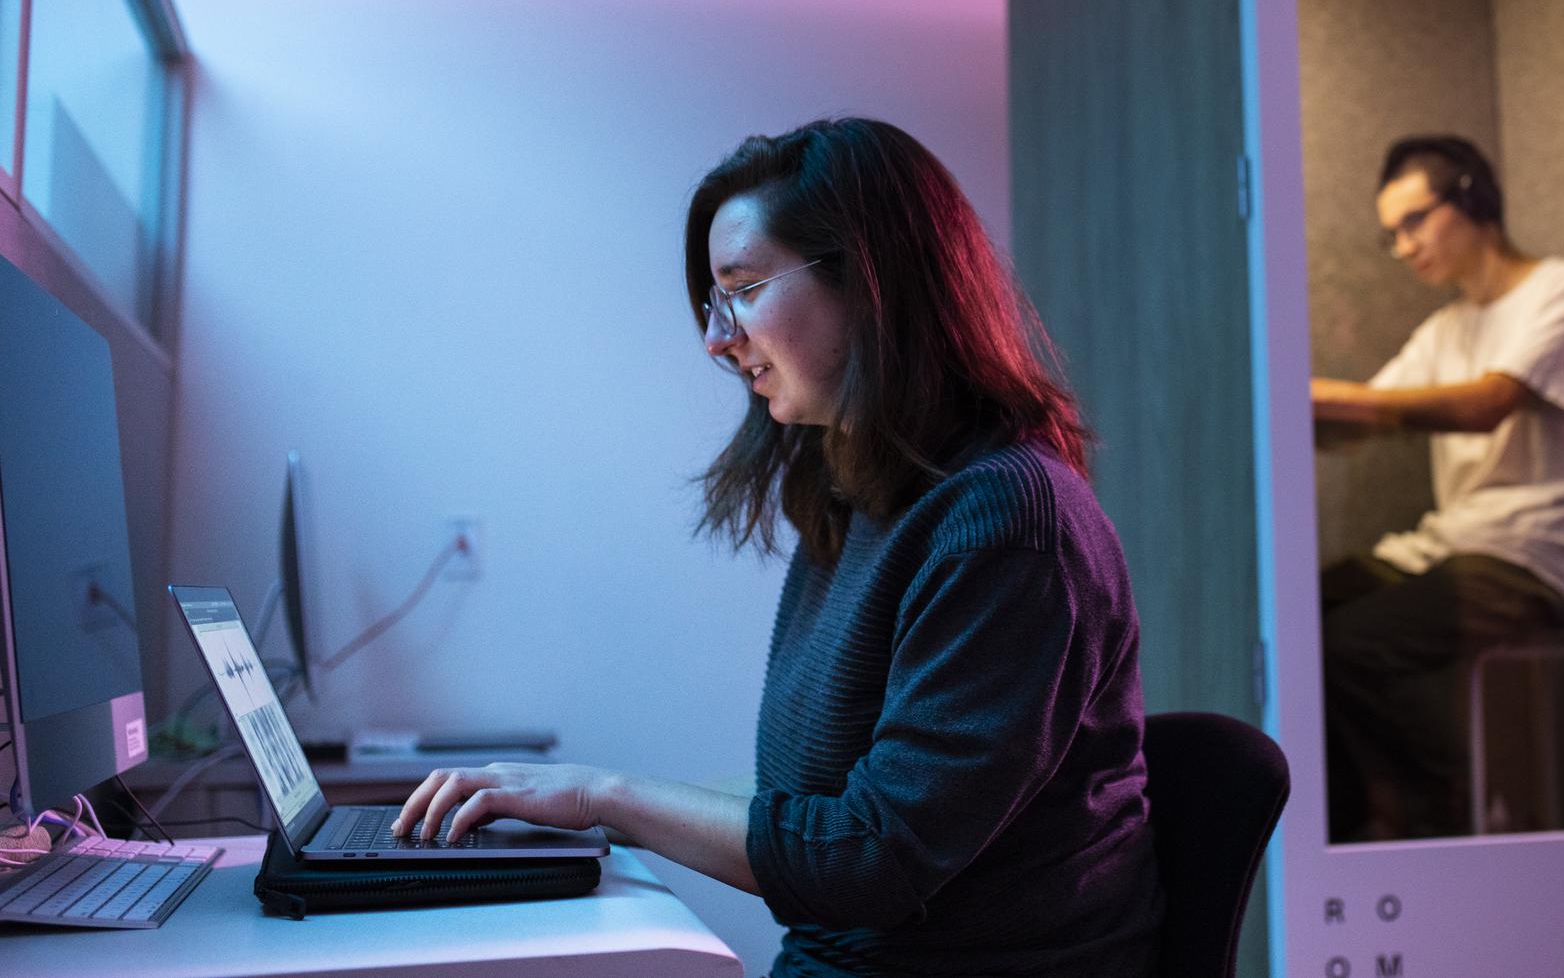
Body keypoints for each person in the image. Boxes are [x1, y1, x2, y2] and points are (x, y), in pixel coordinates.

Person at [393, 117, 1162, 977]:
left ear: (873, 283)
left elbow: (871, 856)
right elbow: (810, 800)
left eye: (745, 289)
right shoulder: (858, 499)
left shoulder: (1012, 520)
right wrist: (577, 805)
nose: (717, 340)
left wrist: (600, 795)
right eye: (715, 303)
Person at [1311, 134, 1564, 839]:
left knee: (1345, 646)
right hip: (1452, 543)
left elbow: (1487, 404)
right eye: (1390, 233)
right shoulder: (1444, 327)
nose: (1403, 246)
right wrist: (1285, 420)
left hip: (1539, 555)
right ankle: (1351, 824)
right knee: (1294, 622)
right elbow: (1369, 416)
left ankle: (1444, 797)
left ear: (1471, 198)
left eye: (1414, 222)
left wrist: (1319, 398)